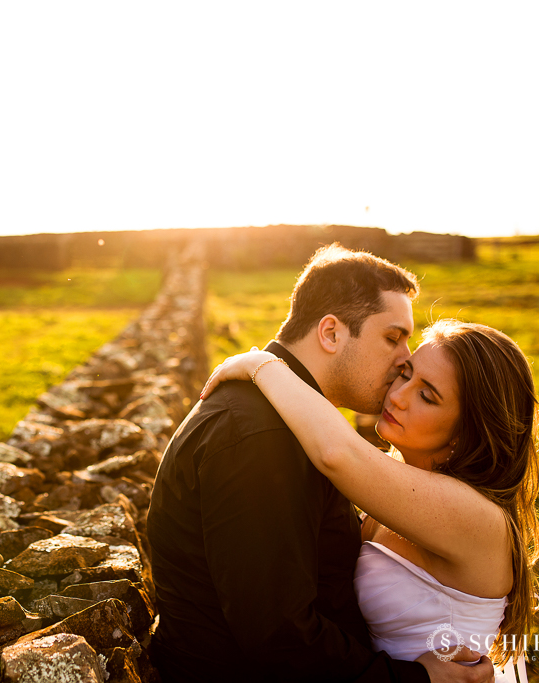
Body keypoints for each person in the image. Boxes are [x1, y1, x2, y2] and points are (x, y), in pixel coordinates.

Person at [148, 244, 495, 682]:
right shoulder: (262, 438)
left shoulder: (289, 423)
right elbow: (281, 639)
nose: (406, 358)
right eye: (392, 337)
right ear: (330, 333)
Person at [200, 320, 539, 683]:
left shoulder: (475, 516)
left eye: (427, 396)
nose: (397, 395)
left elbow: (336, 453)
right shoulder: (398, 485)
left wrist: (261, 365)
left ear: (469, 430)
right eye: (406, 374)